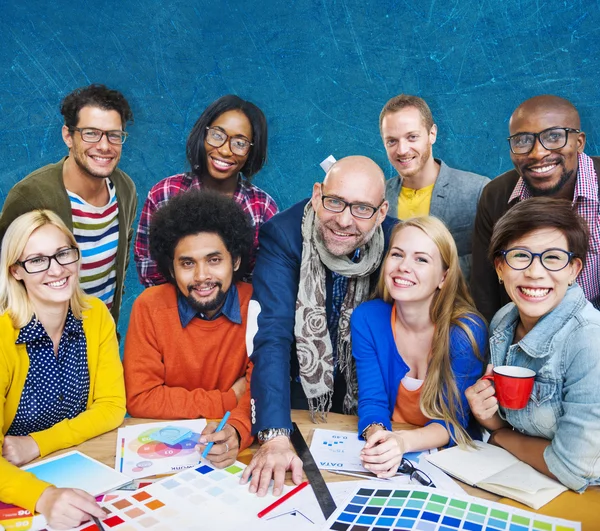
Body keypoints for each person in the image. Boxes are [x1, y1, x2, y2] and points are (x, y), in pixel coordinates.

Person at [240, 155, 396, 496]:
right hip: (298, 394)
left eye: (361, 209)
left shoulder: (397, 243)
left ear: (381, 212)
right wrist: (274, 435)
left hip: (372, 397)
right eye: (334, 202)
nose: (343, 220)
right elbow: (272, 335)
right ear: (316, 194)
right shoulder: (282, 234)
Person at [0, 210, 125, 529]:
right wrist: (43, 496)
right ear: (16, 271)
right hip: (17, 486)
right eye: (37, 260)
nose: (56, 269)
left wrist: (37, 443)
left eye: (63, 254)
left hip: (83, 467)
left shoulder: (96, 315)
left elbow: (112, 407)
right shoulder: (3, 337)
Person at [466, 198, 600, 492]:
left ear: (574, 269)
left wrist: (500, 435)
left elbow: (572, 467)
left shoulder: (590, 340)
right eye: (520, 256)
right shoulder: (503, 321)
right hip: (520, 480)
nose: (535, 272)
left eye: (552, 257)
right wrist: (486, 414)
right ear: (500, 268)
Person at [124, 190, 255, 468]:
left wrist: (237, 429)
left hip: (232, 452)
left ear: (236, 261)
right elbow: (140, 398)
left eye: (214, 260)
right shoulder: (149, 307)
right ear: (171, 270)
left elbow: (260, 395)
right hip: (165, 452)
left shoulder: (257, 305)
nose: (201, 276)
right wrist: (230, 397)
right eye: (187, 263)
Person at [351, 217, 486, 478]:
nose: (403, 267)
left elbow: (453, 420)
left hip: (453, 464)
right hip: (397, 459)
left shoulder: (466, 331)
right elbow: (372, 400)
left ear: (444, 277)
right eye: (397, 254)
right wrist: (379, 439)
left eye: (421, 259)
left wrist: (401, 443)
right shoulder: (367, 318)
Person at [0, 84, 136, 326]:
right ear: (68, 136)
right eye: (91, 133)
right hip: (41, 344)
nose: (104, 145)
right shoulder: (30, 196)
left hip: (100, 336)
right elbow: (5, 273)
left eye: (114, 135)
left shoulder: (125, 189)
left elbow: (118, 266)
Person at [471, 95, 600, 322]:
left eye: (554, 137)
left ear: (579, 142)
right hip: (526, 339)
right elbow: (485, 294)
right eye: (522, 141)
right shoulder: (495, 197)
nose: (538, 153)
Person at [134, 95, 278, 286]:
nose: (225, 151)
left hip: (238, 312)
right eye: (217, 135)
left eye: (240, 143)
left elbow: (266, 279)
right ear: (203, 134)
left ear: (252, 150)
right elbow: (148, 268)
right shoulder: (164, 194)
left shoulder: (262, 207)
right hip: (173, 310)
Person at [380, 94, 489, 281]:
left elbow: (494, 260)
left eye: (412, 137)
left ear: (432, 134)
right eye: (392, 141)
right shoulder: (379, 197)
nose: (402, 150)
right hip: (393, 308)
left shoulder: (478, 190)